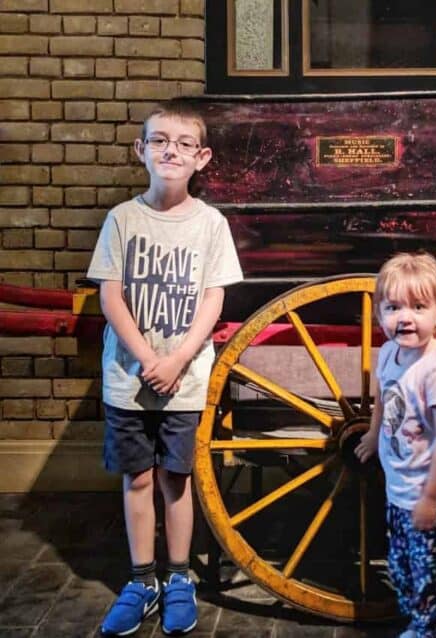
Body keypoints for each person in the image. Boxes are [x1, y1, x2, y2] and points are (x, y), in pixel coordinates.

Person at [88, 100, 243, 636]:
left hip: (185, 380)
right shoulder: (122, 220)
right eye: (158, 140)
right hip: (129, 380)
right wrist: (149, 358)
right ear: (141, 151)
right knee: (138, 478)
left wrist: (176, 359)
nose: (169, 150)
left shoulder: (211, 224)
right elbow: (111, 297)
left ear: (201, 158)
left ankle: (179, 578)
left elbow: (212, 301)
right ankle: (141, 580)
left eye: (182, 143)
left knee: (176, 479)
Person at [355, 252, 436, 638]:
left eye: (418, 307)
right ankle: (419, 626)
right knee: (403, 571)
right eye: (393, 307)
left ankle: (432, 631)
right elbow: (384, 395)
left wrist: (431, 498)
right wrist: (374, 434)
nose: (404, 317)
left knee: (432, 584)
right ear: (379, 314)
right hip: (402, 493)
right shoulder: (391, 352)